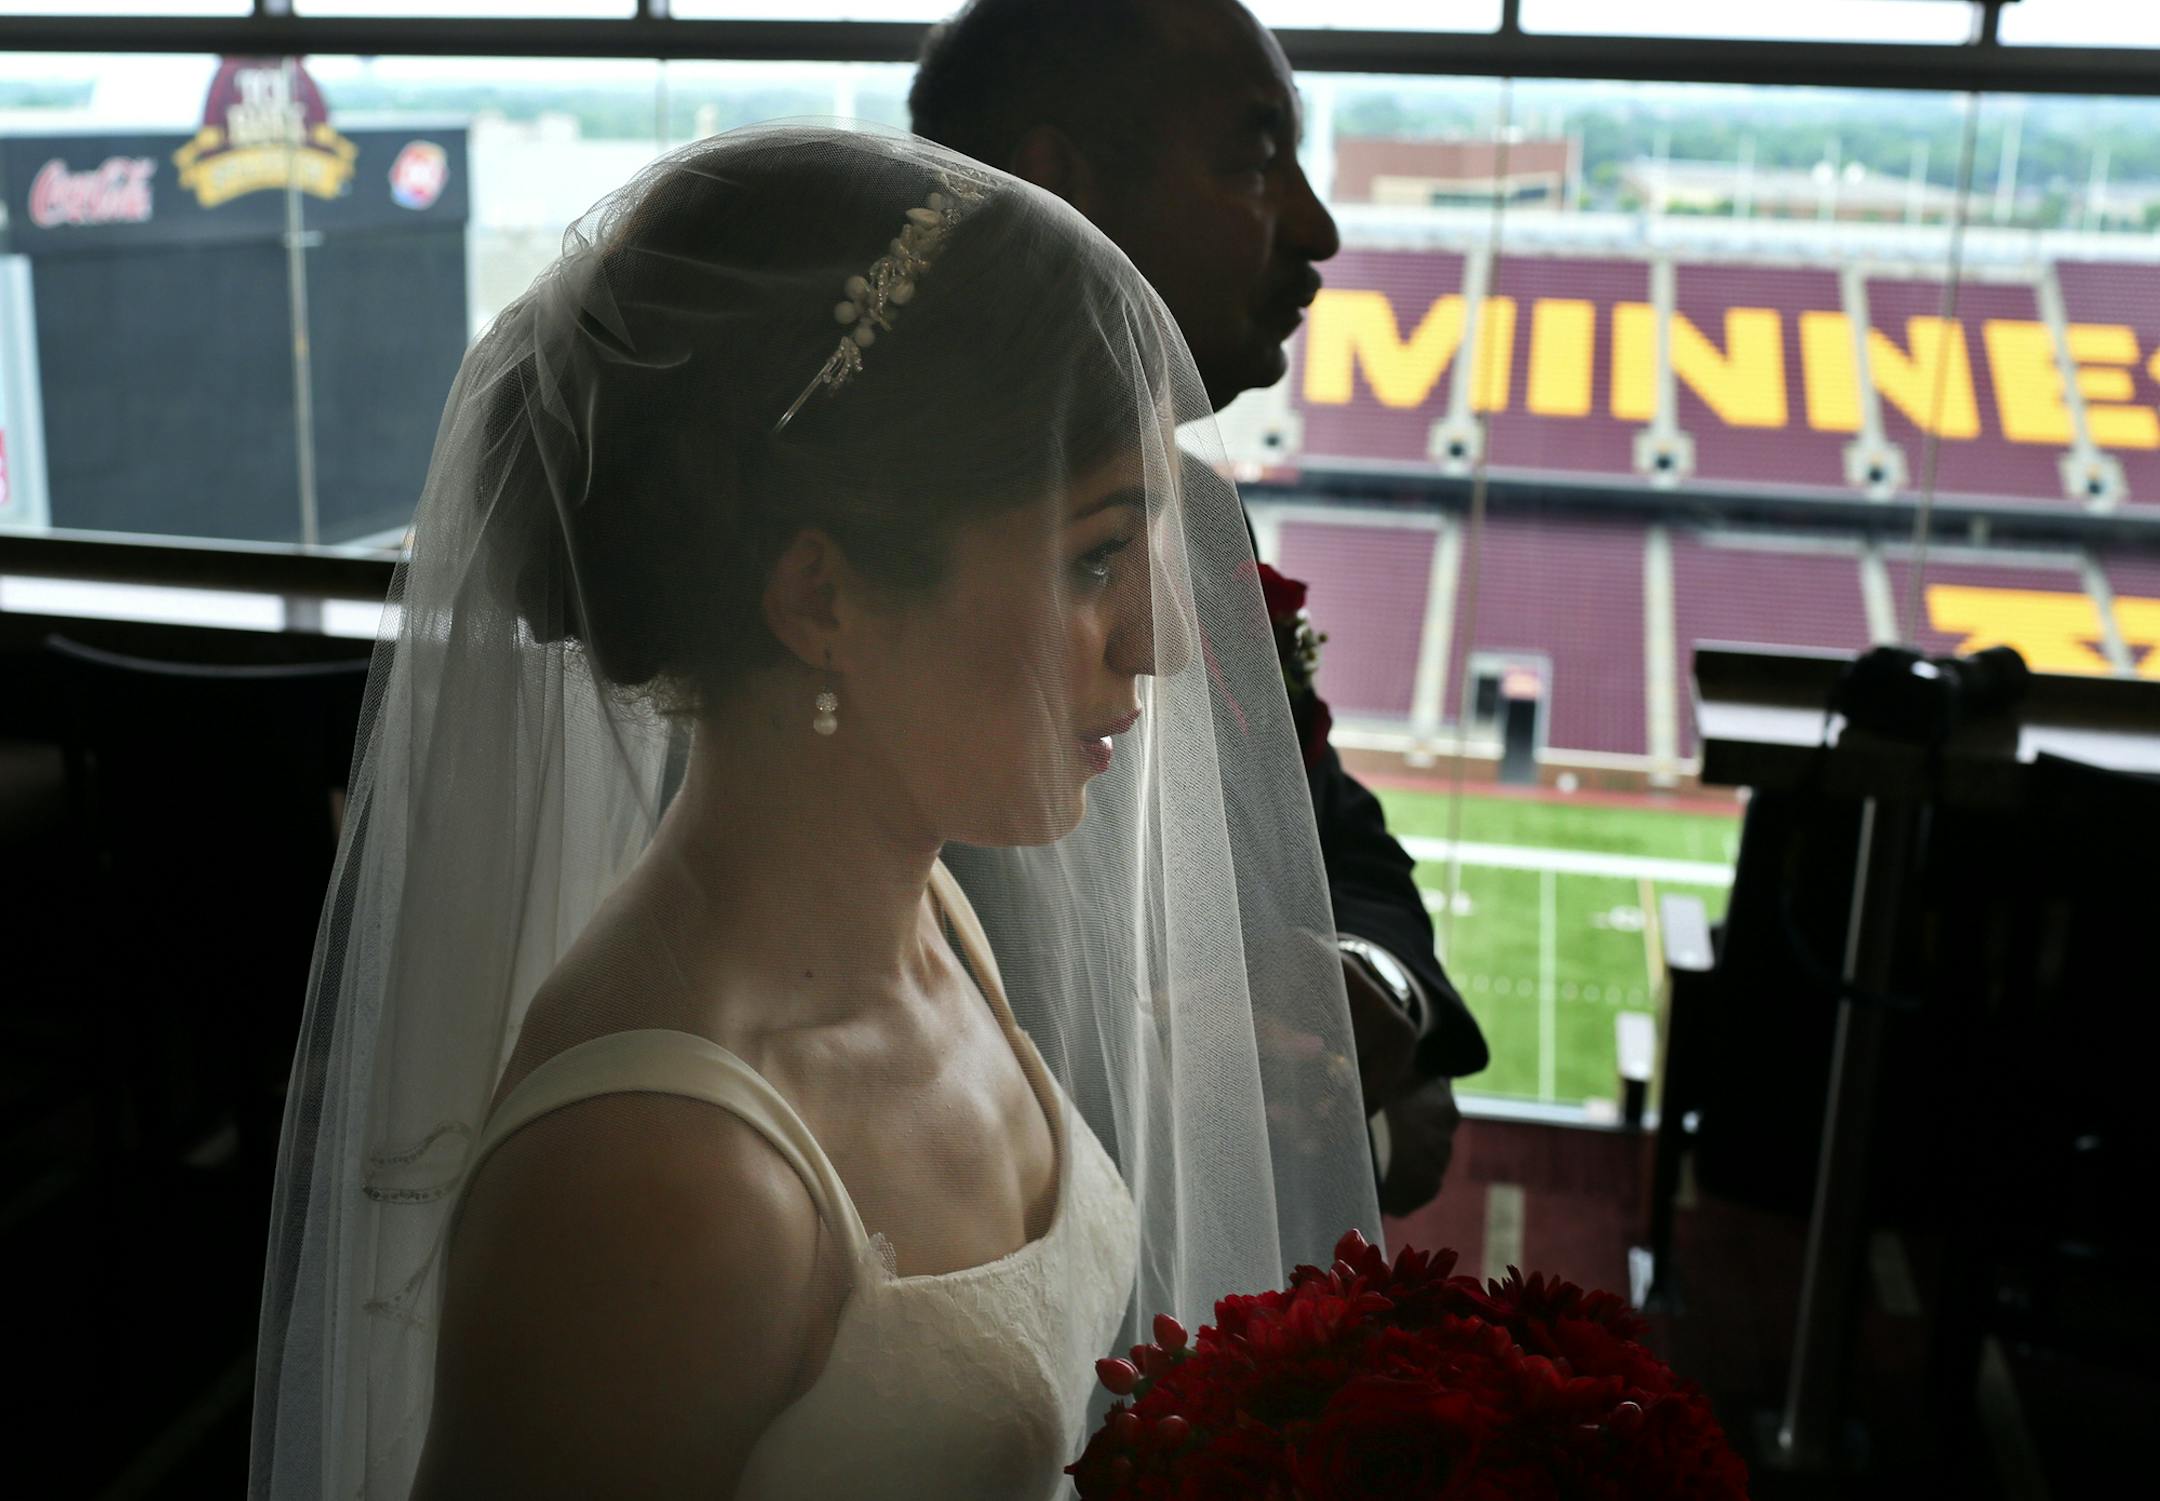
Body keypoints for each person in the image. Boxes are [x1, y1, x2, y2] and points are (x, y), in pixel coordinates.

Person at [247, 127, 1379, 1500]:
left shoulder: (934, 916)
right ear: (821, 599)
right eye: (1094, 552)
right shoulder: (657, 1182)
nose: (1163, 642)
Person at [912, 0, 1486, 1215]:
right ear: (1050, 184)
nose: (1319, 231)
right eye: (1251, 159)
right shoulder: (891, 580)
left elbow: (1336, 835)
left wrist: (1376, 987)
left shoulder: (1202, 513)